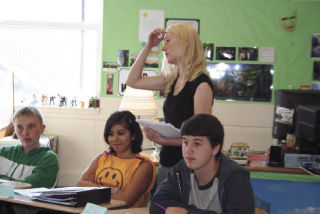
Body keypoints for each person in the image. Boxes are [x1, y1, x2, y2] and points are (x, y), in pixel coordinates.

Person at [126, 24, 214, 186]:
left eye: (168, 41)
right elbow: (132, 81)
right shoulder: (172, 80)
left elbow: (201, 138)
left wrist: (164, 140)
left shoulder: (201, 85)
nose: (163, 48)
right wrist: (148, 46)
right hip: (167, 164)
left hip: (189, 168)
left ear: (186, 42)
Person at [150, 114, 254, 214]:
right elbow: (156, 204)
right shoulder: (180, 171)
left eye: (197, 144)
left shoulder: (235, 176)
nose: (188, 150)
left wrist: (188, 213)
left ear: (215, 148)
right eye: (185, 142)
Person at [76, 111, 156, 208]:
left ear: (133, 135)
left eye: (121, 133)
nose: (115, 139)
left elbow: (125, 201)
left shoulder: (144, 166)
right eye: (111, 134)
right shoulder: (100, 158)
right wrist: (113, 190)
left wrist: (93, 186)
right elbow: (79, 187)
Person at [0, 106, 58, 188]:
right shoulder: (3, 152)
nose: (25, 132)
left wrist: (3, 182)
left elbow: (27, 187)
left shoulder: (49, 159)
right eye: (20, 127)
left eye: (31, 126)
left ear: (42, 129)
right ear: (14, 130)